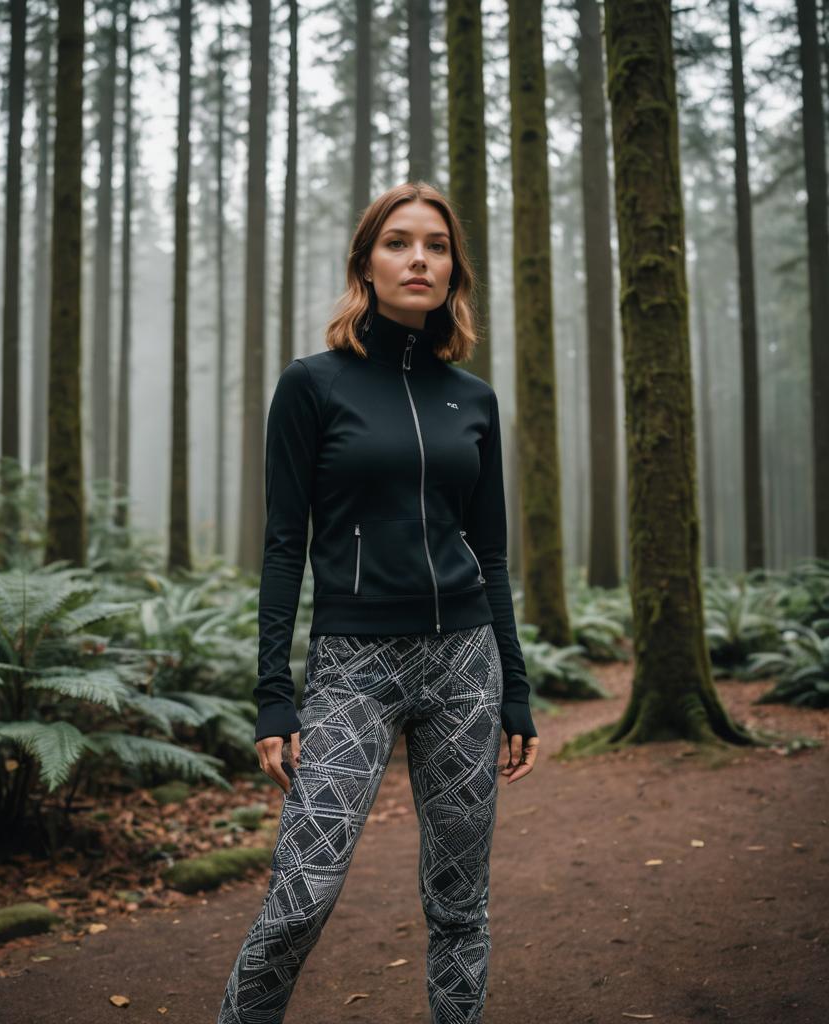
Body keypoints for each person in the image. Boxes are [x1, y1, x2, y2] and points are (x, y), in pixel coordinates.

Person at [216, 181, 540, 1024]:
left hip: (464, 663)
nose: (419, 259)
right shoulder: (313, 385)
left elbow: (491, 551)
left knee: (460, 904)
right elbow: (285, 544)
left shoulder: (473, 399)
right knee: (302, 896)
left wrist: (516, 687)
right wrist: (272, 695)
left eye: (436, 246)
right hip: (352, 667)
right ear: (366, 261)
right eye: (399, 242)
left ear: (453, 272)